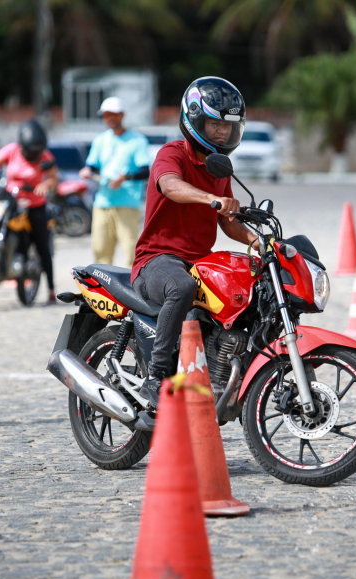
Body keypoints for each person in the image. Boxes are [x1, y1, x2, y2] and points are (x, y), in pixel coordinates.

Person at [131, 77, 256, 407]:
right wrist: (211, 198)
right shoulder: (172, 154)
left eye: (228, 126)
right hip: (156, 260)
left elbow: (229, 222)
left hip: (198, 260)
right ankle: (155, 378)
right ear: (195, 119)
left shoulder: (220, 169)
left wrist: (259, 243)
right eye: (215, 124)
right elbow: (170, 186)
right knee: (181, 288)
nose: (222, 132)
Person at [0, 119, 58, 303]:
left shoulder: (45, 157)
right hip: (11, 201)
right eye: (30, 151)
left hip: (35, 206)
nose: (33, 155)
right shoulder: (12, 150)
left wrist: (45, 184)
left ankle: (50, 288)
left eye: (36, 152)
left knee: (42, 245)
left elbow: (53, 178)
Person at [79, 97, 151, 267]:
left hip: (127, 204)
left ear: (122, 115)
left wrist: (124, 177)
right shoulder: (100, 140)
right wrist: (87, 171)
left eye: (114, 114)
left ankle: (131, 290)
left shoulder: (137, 140)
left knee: (131, 253)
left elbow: (144, 171)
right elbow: (92, 165)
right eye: (106, 115)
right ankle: (102, 291)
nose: (110, 118)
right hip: (103, 203)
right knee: (100, 251)